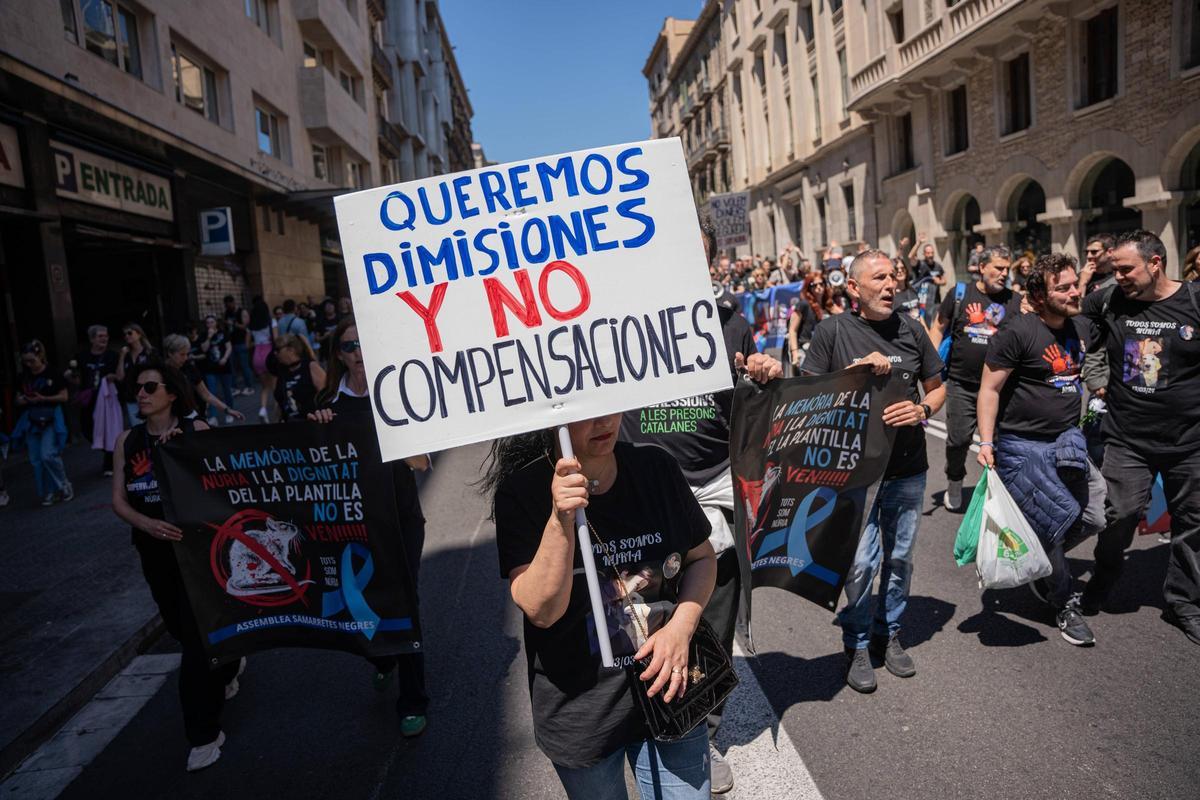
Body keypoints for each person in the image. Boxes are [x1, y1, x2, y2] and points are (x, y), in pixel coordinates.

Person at [622, 214, 781, 794]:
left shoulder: (733, 325)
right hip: (647, 484)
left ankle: (703, 732)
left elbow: (749, 406)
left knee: (711, 611)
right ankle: (642, 720)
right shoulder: (624, 318)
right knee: (640, 610)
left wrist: (764, 376)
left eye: (700, 255)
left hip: (715, 484)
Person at [486, 413, 717, 800]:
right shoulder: (522, 490)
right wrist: (560, 520)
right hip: (583, 714)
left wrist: (681, 627)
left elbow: (703, 558)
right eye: (582, 414)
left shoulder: (655, 467)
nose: (602, 421)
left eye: (607, 404)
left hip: (672, 690)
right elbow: (542, 610)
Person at [803, 250, 946, 693]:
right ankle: (859, 641)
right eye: (878, 278)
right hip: (853, 474)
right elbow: (807, 398)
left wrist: (921, 409)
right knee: (862, 563)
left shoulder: (912, 330)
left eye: (893, 276)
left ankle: (891, 632)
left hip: (907, 469)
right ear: (854, 288)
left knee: (900, 558)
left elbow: (938, 389)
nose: (890, 285)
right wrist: (852, 373)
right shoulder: (832, 331)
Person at [110, 361, 242, 770]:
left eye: (151, 386)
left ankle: (202, 734)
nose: (142, 393)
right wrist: (145, 523)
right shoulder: (126, 441)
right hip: (154, 554)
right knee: (184, 632)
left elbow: (227, 484)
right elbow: (118, 499)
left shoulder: (195, 431)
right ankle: (231, 661)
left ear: (172, 393)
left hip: (196, 552)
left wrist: (180, 451)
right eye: (138, 387)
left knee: (197, 643)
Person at [976, 253, 1106, 646]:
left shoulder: (1080, 326)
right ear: (1038, 294)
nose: (1073, 292)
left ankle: (1040, 562)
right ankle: (1063, 602)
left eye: (1074, 284)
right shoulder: (1016, 333)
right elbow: (989, 389)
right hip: (1023, 446)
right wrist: (985, 442)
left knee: (1098, 515)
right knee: (1051, 527)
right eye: (1062, 287)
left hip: (1067, 441)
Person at [308, 318, 431, 734]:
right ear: (338, 355)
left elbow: (421, 463)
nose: (357, 351)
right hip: (353, 529)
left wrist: (391, 430)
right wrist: (320, 427)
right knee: (362, 601)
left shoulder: (394, 394)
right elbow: (313, 468)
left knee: (404, 599)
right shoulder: (328, 402)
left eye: (363, 342)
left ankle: (413, 699)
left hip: (401, 521)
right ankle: (381, 656)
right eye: (348, 346)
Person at [1078, 231, 1200, 646]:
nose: (1119, 277)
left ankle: (1184, 602)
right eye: (1114, 270)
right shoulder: (1109, 299)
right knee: (1119, 514)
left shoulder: (1194, 301)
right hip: (1128, 437)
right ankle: (1104, 577)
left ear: (1156, 262)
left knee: (1192, 525)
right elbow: (1079, 322)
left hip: (1189, 441)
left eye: (1126, 269)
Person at [930, 245, 1023, 510]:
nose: (1004, 273)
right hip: (961, 383)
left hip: (1000, 387)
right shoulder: (960, 294)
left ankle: (997, 488)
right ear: (982, 268)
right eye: (998, 268)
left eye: (1007, 269)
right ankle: (955, 479)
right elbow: (938, 327)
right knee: (958, 439)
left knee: (999, 442)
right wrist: (932, 366)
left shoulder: (1015, 302)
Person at [13, 340, 74, 506]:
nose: (29, 364)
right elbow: (17, 400)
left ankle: (64, 485)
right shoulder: (23, 376)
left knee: (48, 454)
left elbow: (64, 396)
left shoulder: (53, 373)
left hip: (51, 417)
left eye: (31, 360)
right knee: (36, 459)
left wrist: (44, 398)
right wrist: (23, 400)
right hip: (31, 419)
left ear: (40, 355)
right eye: (25, 361)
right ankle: (49, 492)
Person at [67, 324, 119, 475]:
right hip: (89, 399)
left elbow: (119, 375)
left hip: (107, 399)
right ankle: (112, 452)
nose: (104, 339)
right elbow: (77, 377)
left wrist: (113, 377)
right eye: (100, 336)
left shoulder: (112, 356)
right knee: (87, 429)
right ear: (91, 339)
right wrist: (70, 377)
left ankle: (110, 462)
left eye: (106, 336)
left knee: (109, 430)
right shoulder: (82, 357)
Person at [163, 334, 244, 424]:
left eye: (187, 354)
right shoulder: (161, 373)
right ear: (170, 353)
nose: (185, 358)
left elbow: (206, 394)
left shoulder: (189, 368)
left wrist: (227, 410)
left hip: (195, 418)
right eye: (182, 354)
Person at [270, 333, 325, 422]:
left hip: (312, 424)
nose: (275, 353)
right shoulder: (282, 371)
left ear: (291, 350)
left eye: (278, 350)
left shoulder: (311, 367)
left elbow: (327, 398)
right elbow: (280, 402)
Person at [116, 323, 156, 427]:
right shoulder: (126, 355)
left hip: (149, 394)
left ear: (139, 334)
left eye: (130, 333)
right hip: (131, 397)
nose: (127, 336)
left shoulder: (150, 352)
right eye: (124, 335)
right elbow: (120, 377)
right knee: (138, 427)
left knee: (153, 424)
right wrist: (122, 356)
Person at [199, 315, 235, 426]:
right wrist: (209, 337)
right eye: (208, 322)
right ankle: (213, 416)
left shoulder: (223, 333)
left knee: (227, 391)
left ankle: (230, 412)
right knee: (211, 392)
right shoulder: (204, 335)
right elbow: (204, 349)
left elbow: (229, 347)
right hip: (210, 368)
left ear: (216, 323)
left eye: (212, 322)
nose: (210, 324)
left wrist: (224, 358)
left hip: (224, 367)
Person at [223, 296, 254, 396]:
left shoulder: (242, 312)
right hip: (231, 343)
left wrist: (233, 323)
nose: (228, 306)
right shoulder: (226, 313)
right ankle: (234, 388)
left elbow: (246, 326)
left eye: (229, 304)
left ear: (233, 302)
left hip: (241, 342)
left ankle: (249, 386)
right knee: (231, 366)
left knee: (244, 366)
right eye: (226, 305)